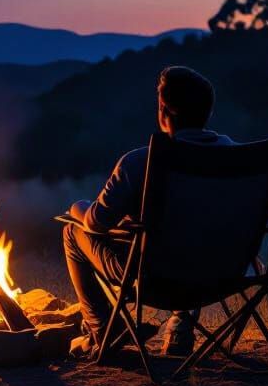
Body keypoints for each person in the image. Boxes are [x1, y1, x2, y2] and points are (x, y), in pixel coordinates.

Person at [63, 65, 233, 360]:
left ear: (164, 110)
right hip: (223, 273)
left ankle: (103, 331)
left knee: (72, 232)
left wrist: (77, 207)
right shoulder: (236, 156)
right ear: (208, 112)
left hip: (157, 279)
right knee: (191, 235)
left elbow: (97, 223)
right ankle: (181, 326)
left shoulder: (140, 162)